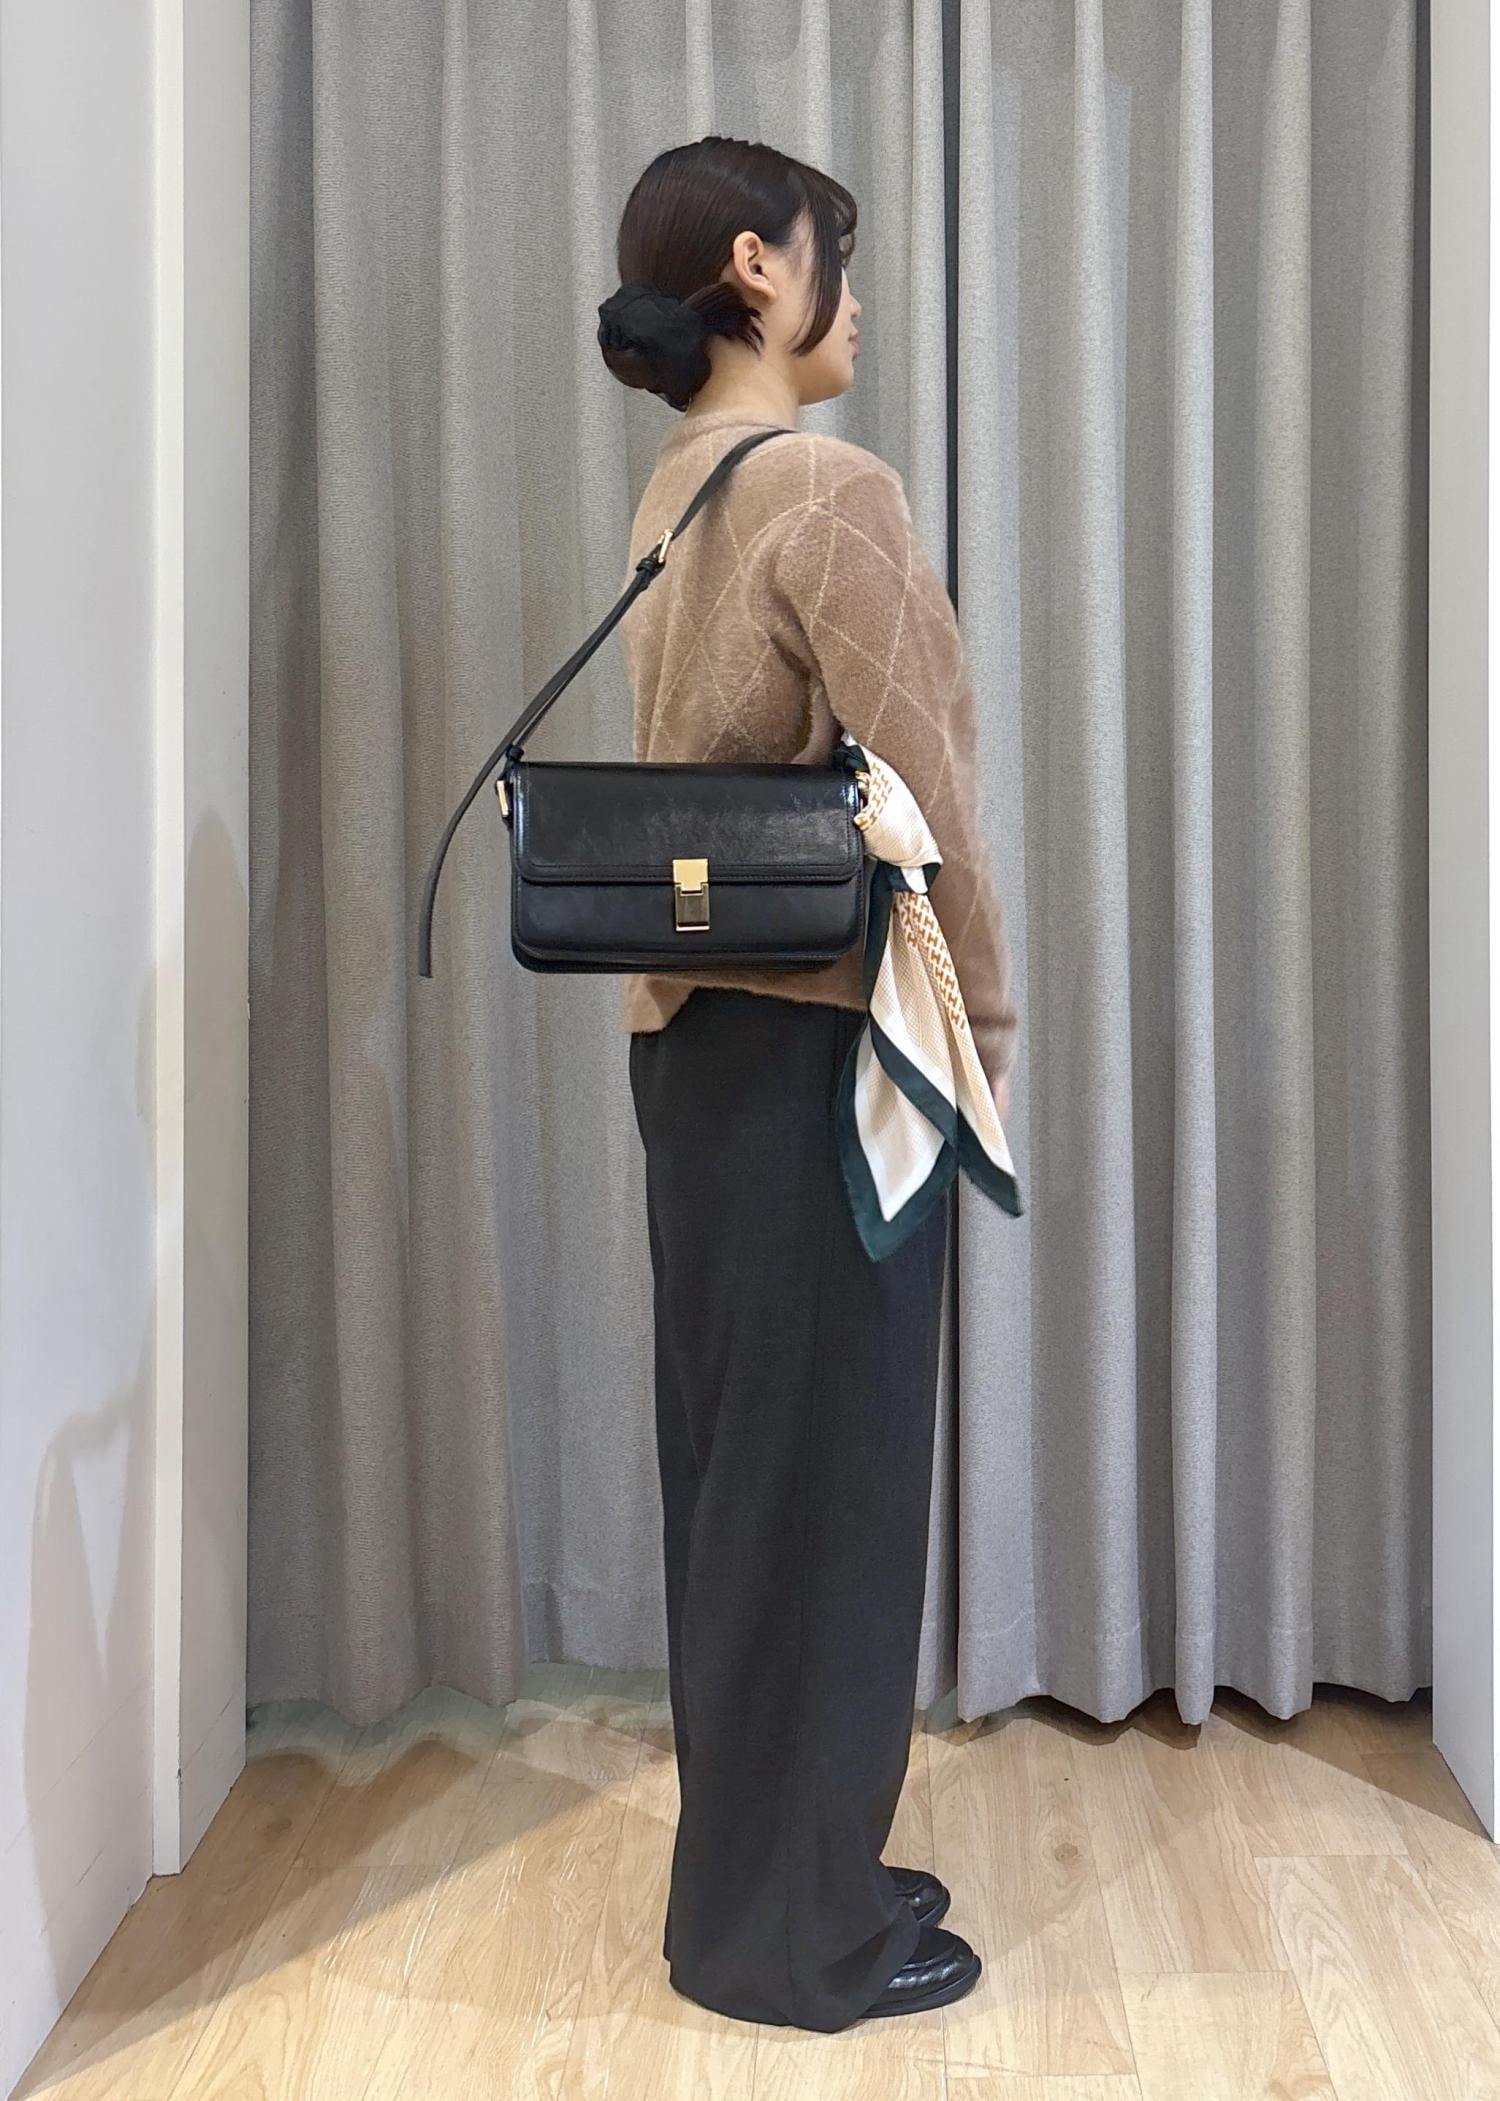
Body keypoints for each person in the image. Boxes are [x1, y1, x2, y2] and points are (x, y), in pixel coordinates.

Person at [597, 134, 1019, 2034]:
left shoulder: (679, 484)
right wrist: (984, 1026)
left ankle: (774, 1877)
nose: (863, 293)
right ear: (762, 272)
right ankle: (798, 1939)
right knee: (832, 1491)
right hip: (829, 1054)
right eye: (838, 251)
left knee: (743, 1484)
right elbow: (929, 784)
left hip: (697, 1053)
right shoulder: (831, 489)